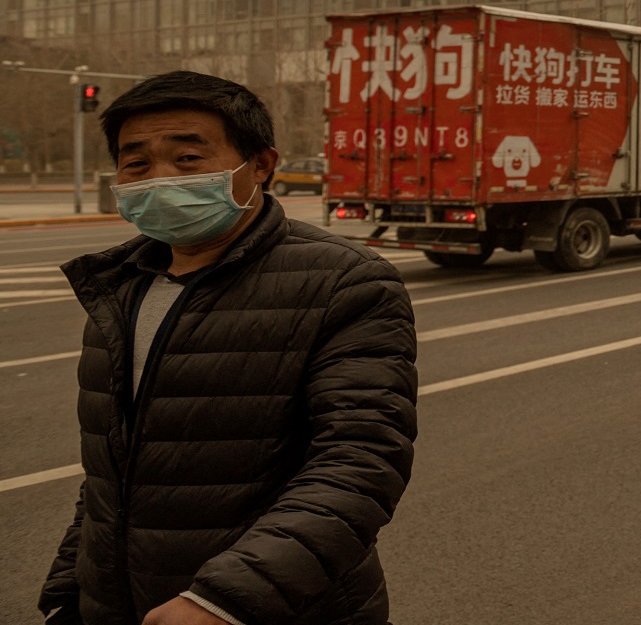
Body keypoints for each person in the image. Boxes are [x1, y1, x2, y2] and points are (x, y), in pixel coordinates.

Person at [41, 71, 416, 625]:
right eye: (136, 163)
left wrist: (225, 599)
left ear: (260, 165)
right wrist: (70, 591)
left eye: (188, 158)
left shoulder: (344, 281)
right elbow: (111, 472)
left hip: (273, 608)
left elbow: (359, 461)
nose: (160, 178)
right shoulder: (118, 287)